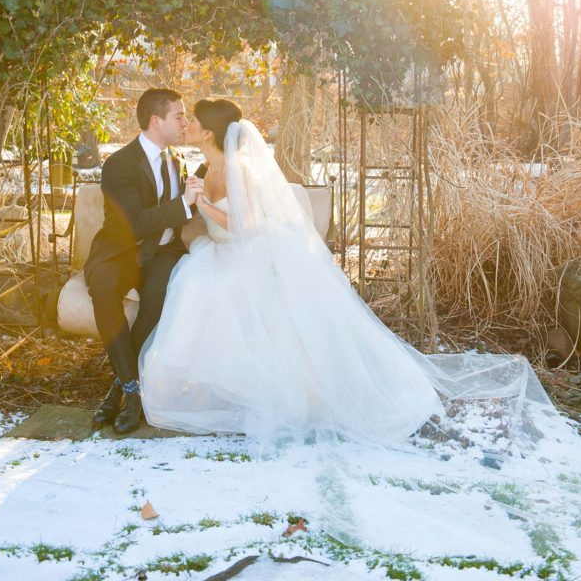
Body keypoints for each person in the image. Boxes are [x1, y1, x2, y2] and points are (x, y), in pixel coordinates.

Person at [139, 98, 451, 444]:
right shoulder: (203, 169)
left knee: (219, 293)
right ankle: (216, 392)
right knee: (195, 286)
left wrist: (203, 205)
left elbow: (247, 224)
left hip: (246, 252)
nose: (188, 125)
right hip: (218, 251)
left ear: (209, 132)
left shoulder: (236, 168)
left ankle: (268, 394)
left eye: (193, 120)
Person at [84, 88, 205, 434]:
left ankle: (122, 388)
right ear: (156, 120)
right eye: (178, 116)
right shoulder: (119, 164)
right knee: (103, 284)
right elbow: (134, 222)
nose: (184, 122)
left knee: (160, 291)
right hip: (121, 251)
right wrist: (183, 203)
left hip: (161, 255)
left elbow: (184, 208)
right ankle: (132, 388)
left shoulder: (177, 161)